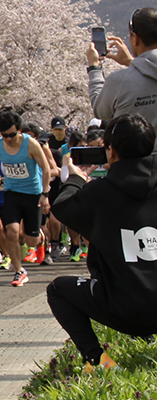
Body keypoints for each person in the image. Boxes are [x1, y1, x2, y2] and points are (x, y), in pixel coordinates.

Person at [47, 114, 157, 372]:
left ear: (111, 151)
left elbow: (62, 208)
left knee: (59, 290)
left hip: (126, 309)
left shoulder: (100, 192)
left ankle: (98, 361)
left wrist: (75, 178)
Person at [0, 110, 51, 287]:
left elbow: (46, 168)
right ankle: (19, 271)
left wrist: (45, 194)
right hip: (12, 193)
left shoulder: (31, 145)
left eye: (12, 134)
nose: (8, 139)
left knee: (31, 240)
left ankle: (39, 239)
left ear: (19, 130)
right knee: (11, 232)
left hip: (33, 195)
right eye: (5, 135)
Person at [88, 7, 157, 144]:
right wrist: (133, 63)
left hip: (135, 161)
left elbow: (100, 110)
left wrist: (94, 67)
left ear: (135, 39)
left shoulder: (120, 80)